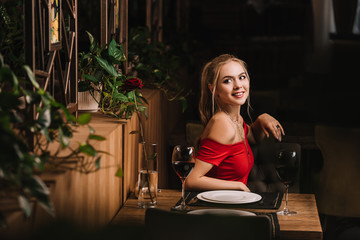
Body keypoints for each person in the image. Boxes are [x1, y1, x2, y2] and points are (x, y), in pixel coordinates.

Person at [185, 54, 285, 192]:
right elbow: (191, 180)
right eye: (227, 81)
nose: (238, 85)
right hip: (218, 207)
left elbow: (254, 138)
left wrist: (262, 118)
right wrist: (238, 186)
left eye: (242, 77)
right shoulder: (222, 124)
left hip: (233, 203)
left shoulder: (236, 120)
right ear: (213, 89)